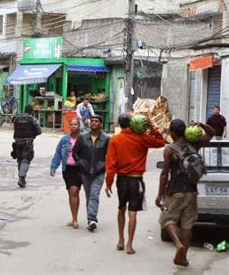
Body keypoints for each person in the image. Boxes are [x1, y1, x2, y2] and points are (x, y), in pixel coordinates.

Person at [156, 119, 214, 266]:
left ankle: (177, 244)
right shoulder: (194, 144)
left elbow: (164, 174)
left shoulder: (170, 149)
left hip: (175, 191)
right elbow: (211, 133)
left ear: (173, 133)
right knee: (187, 226)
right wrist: (201, 124)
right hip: (192, 191)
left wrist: (159, 194)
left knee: (167, 219)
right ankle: (183, 258)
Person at [105, 113, 165, 254]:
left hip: (121, 180)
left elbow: (111, 164)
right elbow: (160, 142)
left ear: (119, 125)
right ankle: (130, 245)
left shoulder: (115, 139)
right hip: (136, 180)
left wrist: (109, 183)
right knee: (132, 213)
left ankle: (121, 240)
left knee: (121, 208)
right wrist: (151, 127)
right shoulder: (142, 138)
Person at [72, 115, 109, 231]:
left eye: (96, 121)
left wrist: (105, 166)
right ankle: (90, 219)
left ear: (100, 124)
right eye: (92, 121)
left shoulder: (106, 139)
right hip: (85, 172)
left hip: (99, 172)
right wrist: (80, 162)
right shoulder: (82, 137)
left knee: (94, 195)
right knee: (89, 196)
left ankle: (92, 219)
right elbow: (75, 152)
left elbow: (111, 155)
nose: (94, 123)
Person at [50, 118, 81, 228]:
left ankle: (82, 218)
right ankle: (74, 218)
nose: (73, 126)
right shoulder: (64, 140)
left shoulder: (84, 139)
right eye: (71, 124)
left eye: (75, 124)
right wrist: (53, 167)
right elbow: (58, 153)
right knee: (72, 192)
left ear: (79, 126)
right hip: (68, 169)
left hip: (81, 169)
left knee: (75, 191)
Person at [12, 105, 42, 188]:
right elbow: (39, 130)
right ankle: (21, 178)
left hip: (17, 142)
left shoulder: (17, 119)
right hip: (27, 143)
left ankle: (21, 177)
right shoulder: (33, 119)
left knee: (20, 160)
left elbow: (15, 129)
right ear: (31, 111)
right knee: (25, 160)